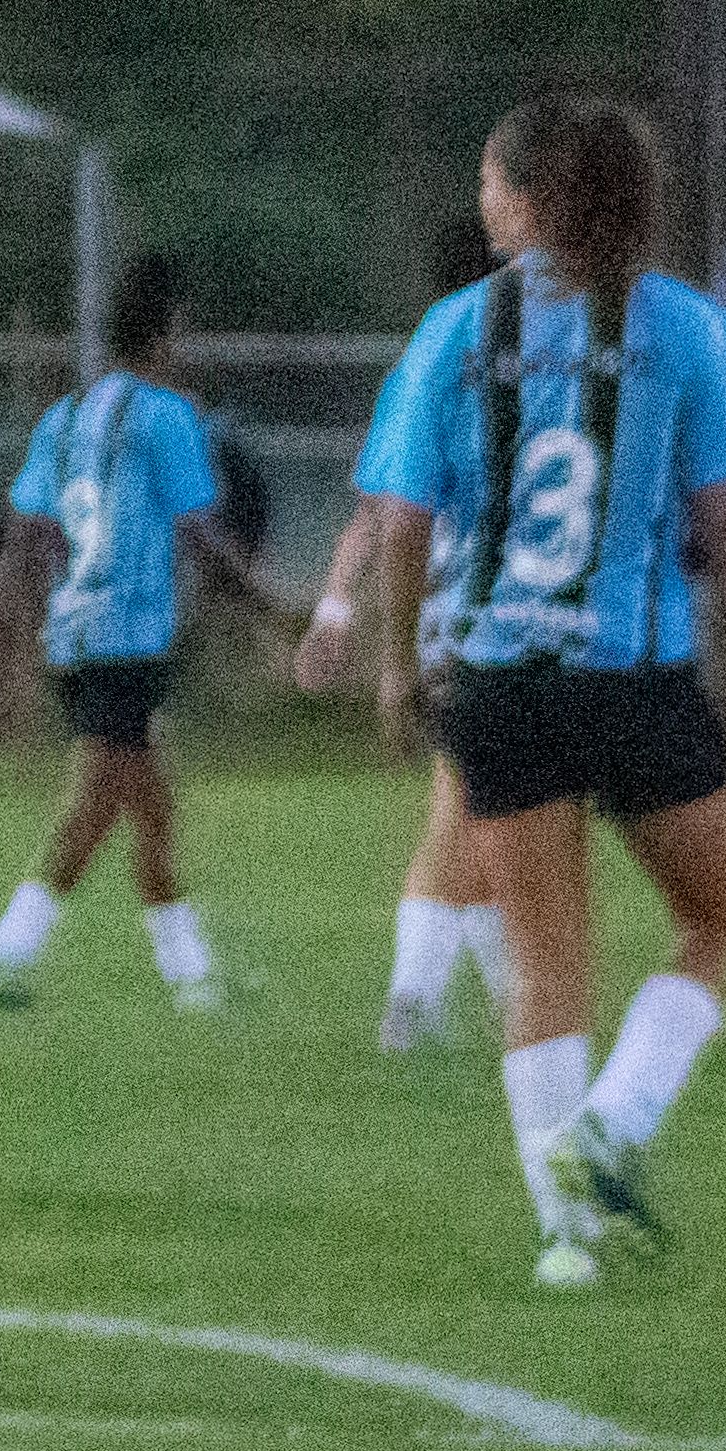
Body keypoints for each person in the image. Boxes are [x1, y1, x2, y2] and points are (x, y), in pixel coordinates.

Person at [325, 94, 726, 1287]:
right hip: (630, 672)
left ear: (530, 199)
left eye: (487, 184)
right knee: (725, 917)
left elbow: (404, 516)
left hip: (496, 680)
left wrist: (396, 659)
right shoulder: (678, 327)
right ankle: (614, 1126)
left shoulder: (455, 330)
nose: (479, 203)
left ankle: (564, 1239)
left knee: (546, 956)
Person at [0, 252, 291, 1010]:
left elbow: (23, 540)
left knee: (151, 809)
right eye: (186, 328)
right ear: (168, 330)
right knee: (97, 806)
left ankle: (193, 979)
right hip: (128, 642)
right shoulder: (170, 418)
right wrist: (271, 606)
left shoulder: (63, 420)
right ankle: (6, 955)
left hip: (71, 640)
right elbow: (201, 535)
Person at [301, 212, 525, 1052]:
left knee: (481, 802)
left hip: (449, 610)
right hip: (511, 615)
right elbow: (395, 510)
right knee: (479, 804)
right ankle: (429, 1002)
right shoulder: (541, 349)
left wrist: (335, 605)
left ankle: (497, 1002)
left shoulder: (427, 356)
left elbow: (380, 506)